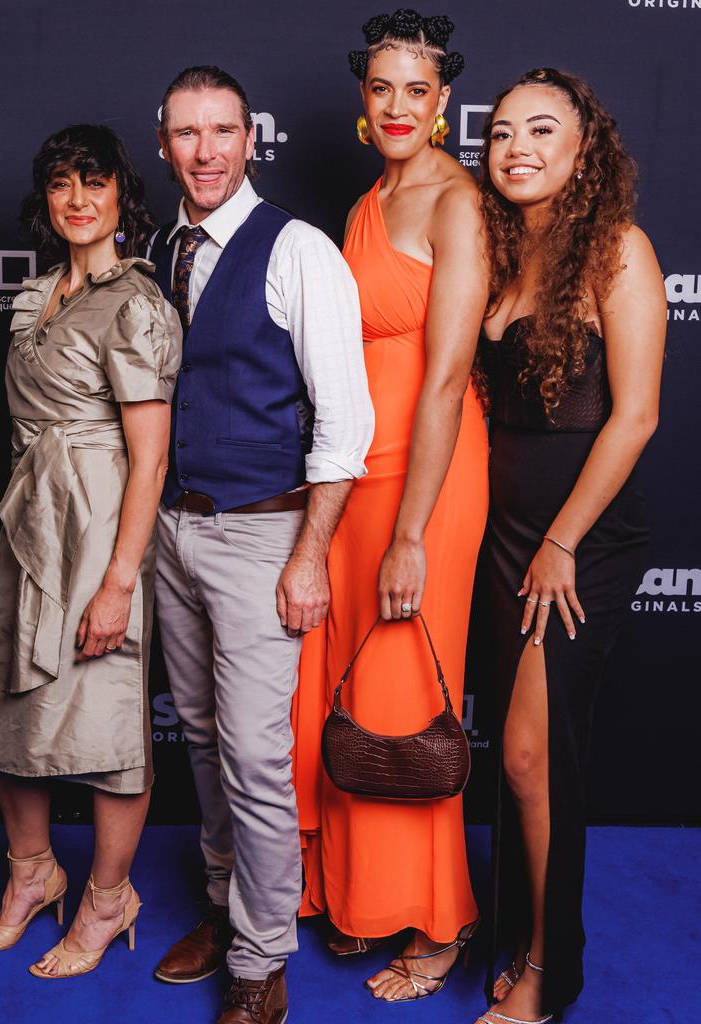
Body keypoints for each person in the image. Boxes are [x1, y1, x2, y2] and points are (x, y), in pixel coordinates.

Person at [149, 66, 373, 1024]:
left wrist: (309, 553)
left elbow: (345, 420)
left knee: (253, 753)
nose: (205, 152)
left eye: (222, 133)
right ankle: (224, 904)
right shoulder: (164, 247)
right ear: (165, 144)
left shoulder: (301, 251)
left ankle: (261, 953)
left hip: (262, 534)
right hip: (173, 530)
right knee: (200, 739)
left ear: (251, 141)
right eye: (186, 134)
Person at [293, 9, 490, 1003]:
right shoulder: (372, 198)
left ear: (444, 100)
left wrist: (411, 529)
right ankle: (361, 897)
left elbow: (448, 375)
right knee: (348, 682)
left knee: (408, 694)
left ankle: (439, 921)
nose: (400, 106)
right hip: (358, 469)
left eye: (419, 89)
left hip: (430, 476)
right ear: (363, 103)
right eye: (383, 89)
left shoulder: (455, 201)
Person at [0, 124, 182, 978]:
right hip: (32, 521)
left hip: (99, 527)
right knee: (7, 704)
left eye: (95, 183)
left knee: (104, 717)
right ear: (46, 200)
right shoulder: (41, 294)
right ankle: (32, 875)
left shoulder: (135, 303)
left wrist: (120, 580)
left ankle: (106, 898)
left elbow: (151, 455)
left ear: (123, 195)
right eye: (61, 184)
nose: (79, 199)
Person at [470, 68, 665, 1024]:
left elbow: (635, 419)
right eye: (502, 133)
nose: (518, 148)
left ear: (585, 150)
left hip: (578, 543)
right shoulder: (505, 254)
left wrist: (561, 543)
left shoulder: (617, 252)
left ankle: (552, 972)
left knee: (528, 754)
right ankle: (520, 934)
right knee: (520, 759)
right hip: (504, 535)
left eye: (542, 131)